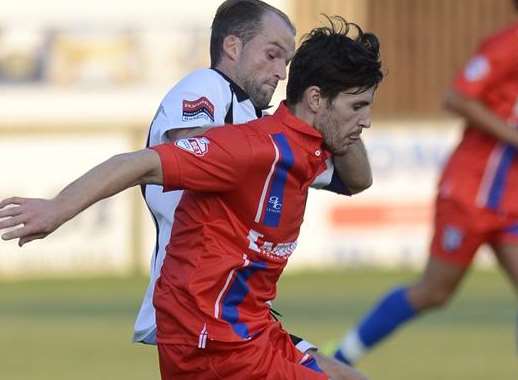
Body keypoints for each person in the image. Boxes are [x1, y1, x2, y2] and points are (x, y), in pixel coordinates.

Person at [0, 17, 383, 379]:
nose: (365, 121)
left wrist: (342, 108)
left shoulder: (306, 150)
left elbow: (358, 179)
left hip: (251, 329)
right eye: (358, 107)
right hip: (212, 344)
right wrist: (56, 209)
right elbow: (140, 163)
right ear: (316, 100)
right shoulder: (251, 145)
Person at [136, 0, 372, 377]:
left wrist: (341, 107)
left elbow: (357, 179)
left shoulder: (265, 129)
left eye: (287, 62)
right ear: (233, 47)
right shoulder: (207, 87)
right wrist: (269, 146)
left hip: (243, 313)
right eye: (272, 55)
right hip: (201, 310)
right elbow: (191, 150)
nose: (280, 72)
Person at [334, 0, 518, 366]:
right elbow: (458, 97)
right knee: (434, 291)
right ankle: (340, 358)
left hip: (509, 199)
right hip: (471, 192)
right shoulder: (508, 44)